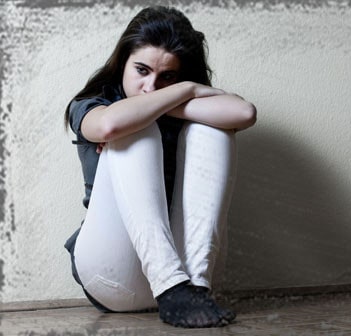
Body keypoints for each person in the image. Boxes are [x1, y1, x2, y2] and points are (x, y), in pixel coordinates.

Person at [63, 6, 256, 328]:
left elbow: (245, 113)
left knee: (212, 127)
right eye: (142, 71)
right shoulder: (90, 104)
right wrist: (186, 90)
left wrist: (178, 99)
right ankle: (170, 285)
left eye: (167, 76)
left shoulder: (178, 102)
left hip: (194, 276)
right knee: (134, 124)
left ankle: (188, 290)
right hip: (115, 272)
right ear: (122, 62)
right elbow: (109, 125)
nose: (151, 87)